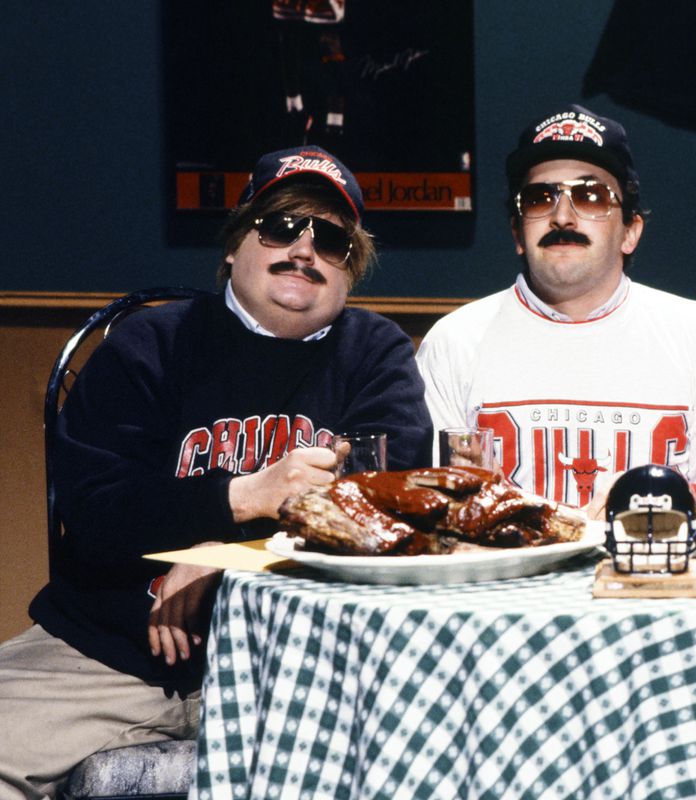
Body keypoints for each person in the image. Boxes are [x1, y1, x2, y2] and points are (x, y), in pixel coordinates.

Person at [0, 145, 432, 798]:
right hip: (109, 654)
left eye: (332, 240)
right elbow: (94, 514)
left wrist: (227, 561)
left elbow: (389, 516)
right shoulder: (150, 344)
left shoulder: (376, 353)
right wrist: (242, 497)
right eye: (281, 226)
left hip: (301, 669)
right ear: (234, 245)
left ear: (350, 269)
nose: (304, 249)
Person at [417, 104, 696, 510]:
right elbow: (437, 508)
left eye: (591, 197)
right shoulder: (454, 342)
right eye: (539, 198)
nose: (562, 217)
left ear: (630, 232)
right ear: (518, 233)